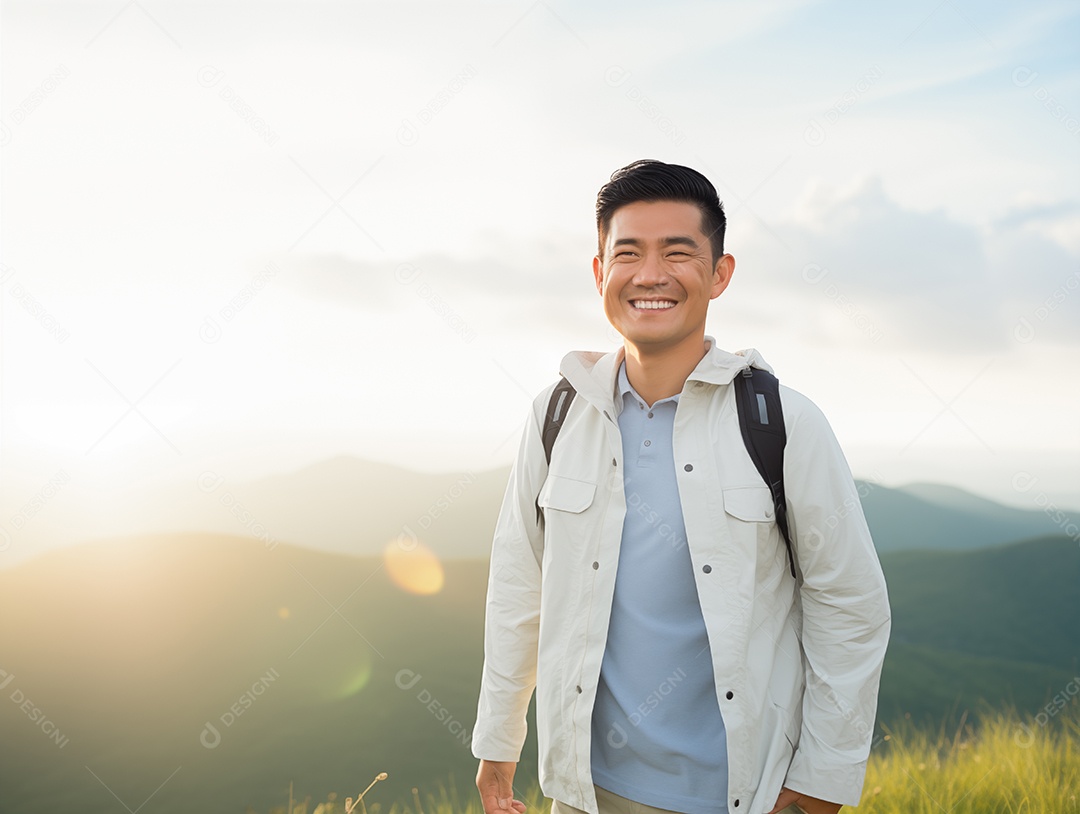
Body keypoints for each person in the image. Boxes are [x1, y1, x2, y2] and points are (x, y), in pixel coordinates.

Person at [472, 160, 891, 814]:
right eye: (628, 253)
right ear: (599, 273)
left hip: (736, 795)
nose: (650, 275)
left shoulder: (783, 422)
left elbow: (851, 606)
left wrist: (817, 788)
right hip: (583, 793)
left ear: (720, 274)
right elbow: (517, 584)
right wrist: (498, 744)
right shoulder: (557, 415)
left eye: (679, 252)